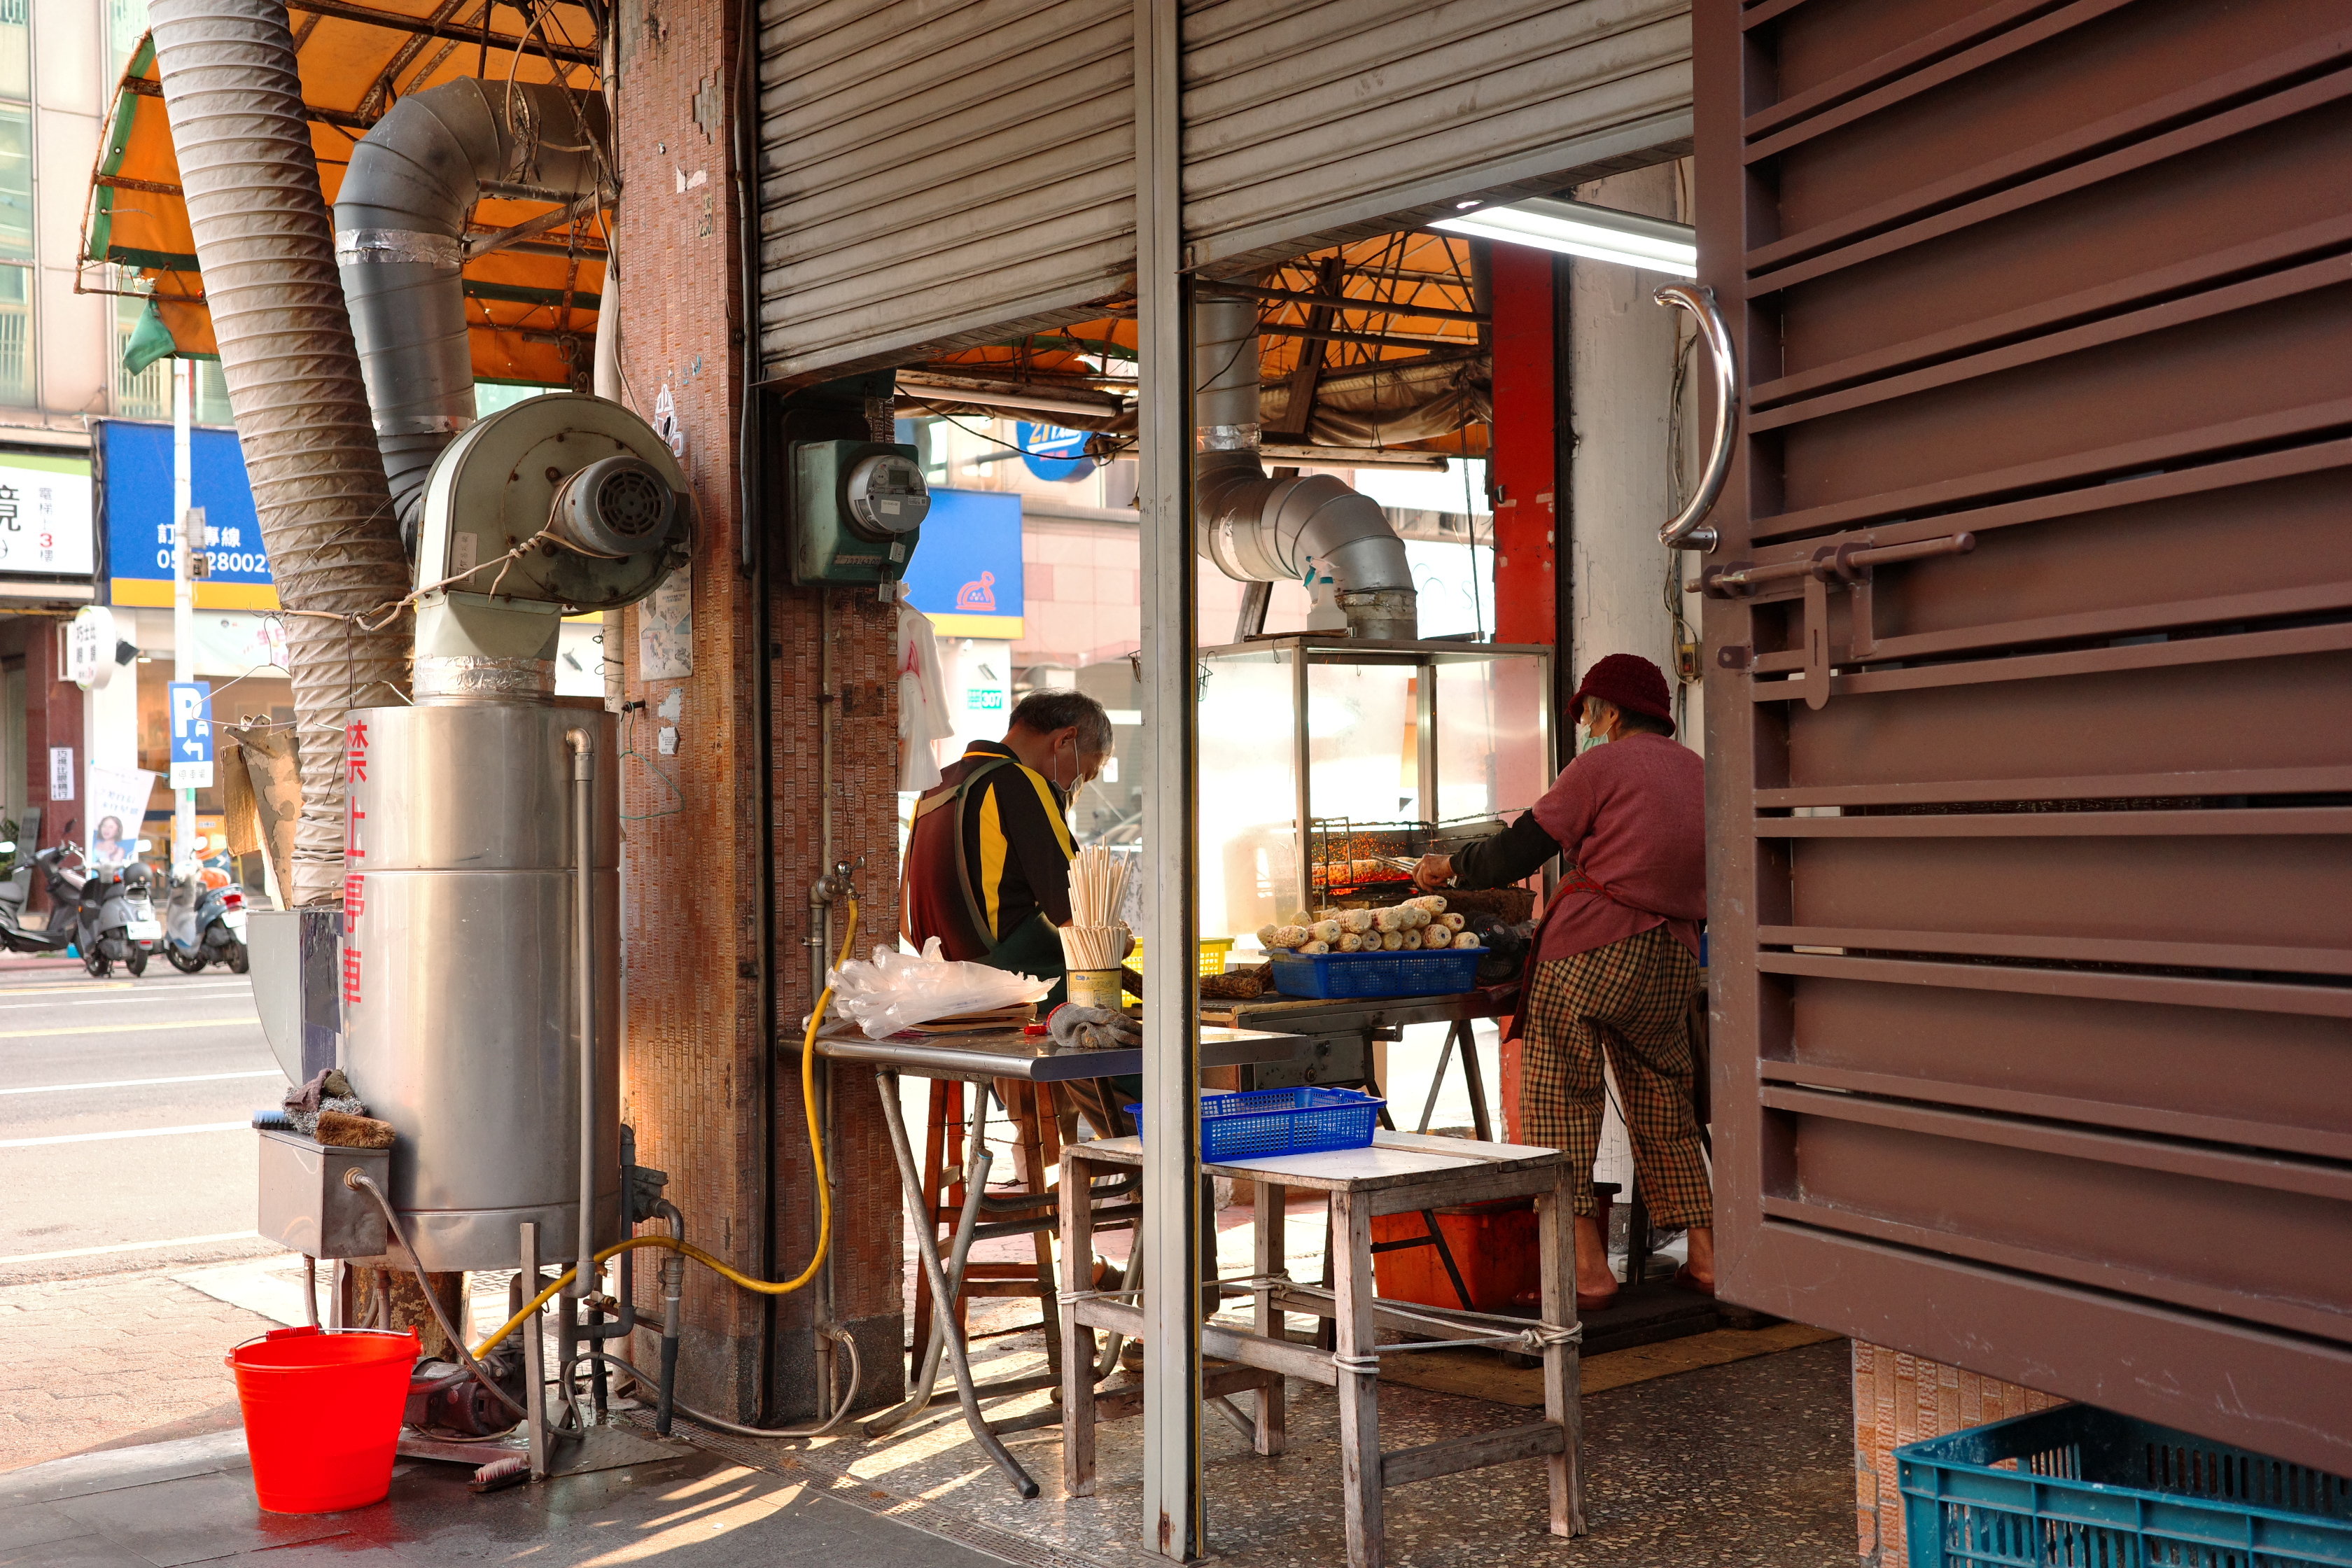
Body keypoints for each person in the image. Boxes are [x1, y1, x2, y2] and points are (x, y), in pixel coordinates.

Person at [1413, 653, 1709, 1312]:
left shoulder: (1602, 766)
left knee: (1558, 1098)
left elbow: (1518, 850)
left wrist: (1451, 867)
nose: (1589, 727)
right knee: (1666, 1106)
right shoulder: (1699, 771)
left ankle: (1588, 1273)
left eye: (1589, 714)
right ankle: (1709, 1259)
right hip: (1675, 954)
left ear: (1609, 710)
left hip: (1592, 950)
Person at [903, 688, 1128, 1135]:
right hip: (1012, 979)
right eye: (1083, 775)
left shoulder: (938, 784)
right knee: (1123, 1029)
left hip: (947, 978)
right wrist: (1118, 941)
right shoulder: (1019, 781)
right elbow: (1077, 909)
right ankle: (1150, 1156)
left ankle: (1035, 1154)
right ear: (1065, 741)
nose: (1073, 789)